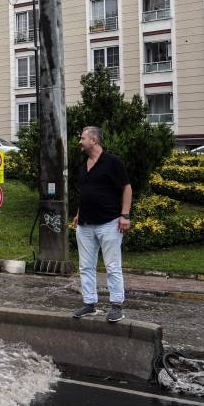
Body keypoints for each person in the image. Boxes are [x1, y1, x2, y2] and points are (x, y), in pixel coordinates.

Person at [71, 126, 132, 322]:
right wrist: (78, 214)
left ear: (94, 141)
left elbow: (127, 188)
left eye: (82, 138)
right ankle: (89, 304)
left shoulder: (112, 162)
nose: (80, 142)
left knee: (113, 266)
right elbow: (86, 194)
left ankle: (116, 306)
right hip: (85, 224)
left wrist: (125, 215)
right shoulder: (84, 165)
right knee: (85, 266)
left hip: (109, 223)